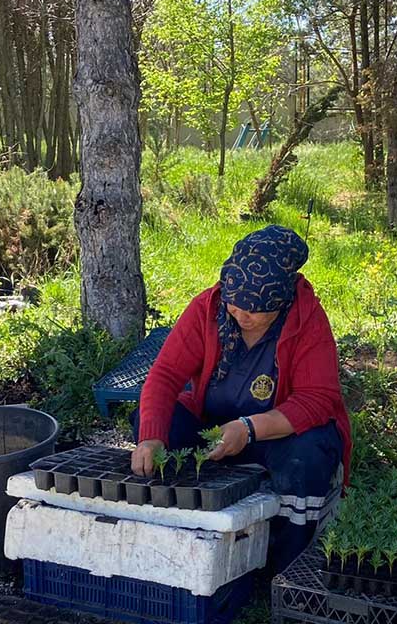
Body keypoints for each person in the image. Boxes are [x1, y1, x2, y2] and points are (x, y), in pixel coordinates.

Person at [132, 225, 352, 573]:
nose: (240, 314)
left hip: (276, 438)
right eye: (234, 304)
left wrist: (249, 429)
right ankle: (183, 532)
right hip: (213, 430)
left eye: (254, 309)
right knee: (160, 423)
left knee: (311, 450)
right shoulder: (209, 308)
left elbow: (318, 399)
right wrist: (150, 437)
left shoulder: (307, 320)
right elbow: (165, 375)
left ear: (280, 301)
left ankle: (281, 564)